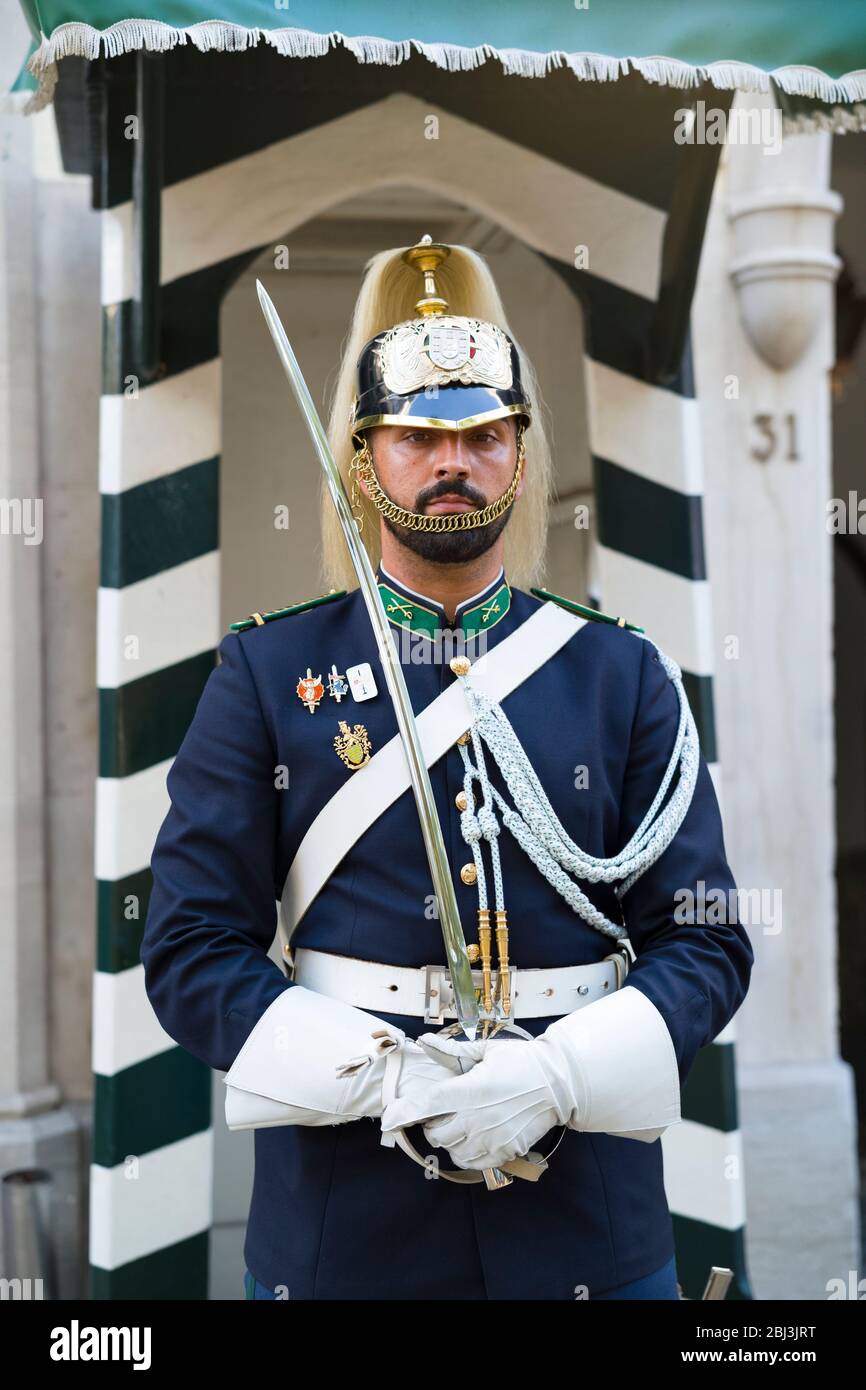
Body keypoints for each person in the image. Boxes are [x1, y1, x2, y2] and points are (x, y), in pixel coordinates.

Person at [140, 237, 753, 1301]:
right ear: (365, 455)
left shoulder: (620, 673)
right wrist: (380, 1075)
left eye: (480, 435)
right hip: (347, 1234)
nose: (450, 465)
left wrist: (555, 1074)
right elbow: (190, 946)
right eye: (418, 437)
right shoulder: (268, 671)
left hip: (584, 1232)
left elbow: (701, 938)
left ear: (519, 452)